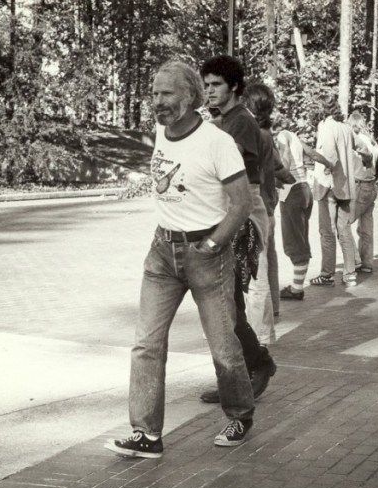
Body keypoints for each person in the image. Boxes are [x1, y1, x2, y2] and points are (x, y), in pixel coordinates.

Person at [106, 60, 255, 458]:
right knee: (146, 345)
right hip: (161, 254)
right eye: (154, 94)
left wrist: (211, 245)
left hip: (206, 253)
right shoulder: (160, 131)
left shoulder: (217, 142)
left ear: (190, 97)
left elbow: (241, 204)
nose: (158, 102)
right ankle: (146, 434)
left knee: (223, 347)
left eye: (167, 94)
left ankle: (240, 414)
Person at [198, 55, 278, 405]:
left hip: (240, 213)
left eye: (216, 84)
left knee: (226, 303)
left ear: (233, 86)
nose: (209, 91)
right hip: (225, 212)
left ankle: (257, 365)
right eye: (206, 84)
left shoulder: (241, 122)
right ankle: (237, 375)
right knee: (225, 303)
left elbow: (237, 178)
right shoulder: (224, 120)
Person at [243, 82, 295, 328]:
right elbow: (277, 166)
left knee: (256, 272)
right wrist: (292, 179)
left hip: (255, 209)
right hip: (269, 207)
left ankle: (260, 329)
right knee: (268, 261)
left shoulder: (250, 132)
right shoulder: (266, 133)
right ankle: (273, 307)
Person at [272, 114, 331, 301]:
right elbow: (312, 154)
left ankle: (297, 288)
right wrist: (330, 165)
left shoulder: (282, 136)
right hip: (305, 189)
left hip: (291, 192)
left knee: (293, 241)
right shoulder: (294, 136)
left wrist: (273, 179)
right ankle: (297, 285)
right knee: (300, 237)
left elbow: (286, 162)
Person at [311, 96, 359, 286]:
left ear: (323, 110)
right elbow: (362, 148)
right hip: (345, 187)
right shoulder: (346, 128)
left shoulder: (326, 126)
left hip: (329, 186)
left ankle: (327, 273)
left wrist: (327, 167)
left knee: (326, 231)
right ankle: (350, 273)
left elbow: (329, 154)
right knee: (344, 230)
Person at [348, 111, 378, 274]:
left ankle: (355, 259)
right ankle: (367, 262)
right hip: (372, 186)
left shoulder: (355, 140)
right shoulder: (372, 141)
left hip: (359, 186)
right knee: (366, 228)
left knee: (342, 225)